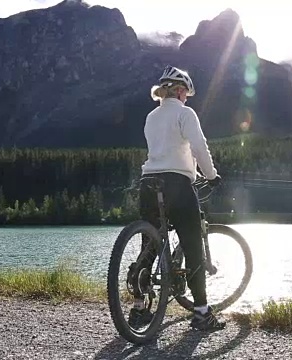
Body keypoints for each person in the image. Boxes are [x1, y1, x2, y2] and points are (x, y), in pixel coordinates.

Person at [129, 65, 225, 331]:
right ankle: (202, 313)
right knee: (193, 245)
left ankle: (139, 308)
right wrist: (211, 174)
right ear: (181, 90)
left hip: (148, 182)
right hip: (178, 185)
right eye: (186, 93)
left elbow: (163, 149)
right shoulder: (185, 113)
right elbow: (198, 145)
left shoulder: (151, 116)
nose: (186, 98)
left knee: (148, 244)